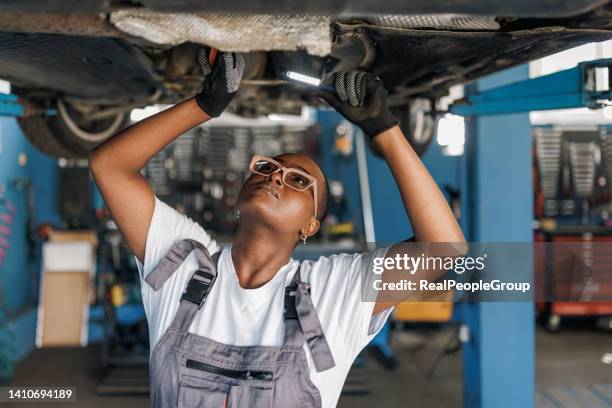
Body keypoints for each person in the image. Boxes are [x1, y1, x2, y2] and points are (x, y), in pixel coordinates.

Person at [89, 50, 465, 408]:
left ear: (310, 225)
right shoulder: (183, 266)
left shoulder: (334, 292)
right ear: (238, 198)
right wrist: (203, 106)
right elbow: (110, 168)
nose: (277, 177)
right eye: (267, 168)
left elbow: (445, 248)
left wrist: (384, 129)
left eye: (299, 181)